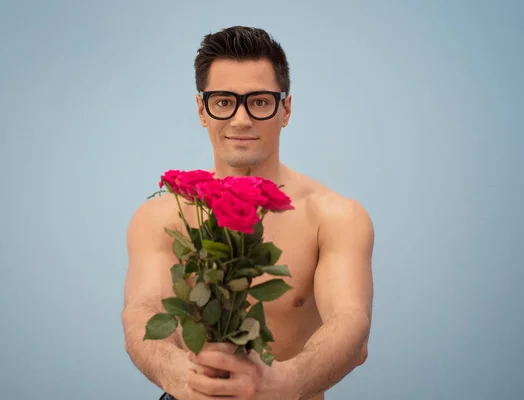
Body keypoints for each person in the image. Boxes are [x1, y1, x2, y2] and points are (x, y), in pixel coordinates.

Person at [121, 26, 375, 400]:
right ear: (201, 110)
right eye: (223, 101)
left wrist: (279, 384)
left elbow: (351, 324)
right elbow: (141, 311)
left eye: (259, 101)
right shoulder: (161, 216)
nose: (241, 120)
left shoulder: (335, 217)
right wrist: (183, 378)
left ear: (284, 109)